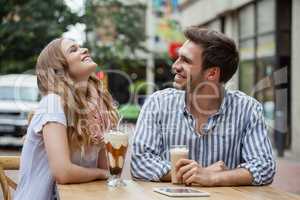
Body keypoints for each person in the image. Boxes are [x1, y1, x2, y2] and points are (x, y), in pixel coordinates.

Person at [131, 26, 276, 186]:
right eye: (178, 58)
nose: (175, 66)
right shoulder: (158, 103)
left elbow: (264, 167)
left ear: (212, 73)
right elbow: (140, 162)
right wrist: (197, 174)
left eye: (186, 60)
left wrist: (214, 178)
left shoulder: (247, 109)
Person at [14, 38, 118, 200]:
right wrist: (101, 174)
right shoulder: (52, 103)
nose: (84, 49)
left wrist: (105, 120)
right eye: (73, 49)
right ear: (59, 69)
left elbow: (109, 170)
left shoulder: (97, 109)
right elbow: (63, 173)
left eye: (81, 46)